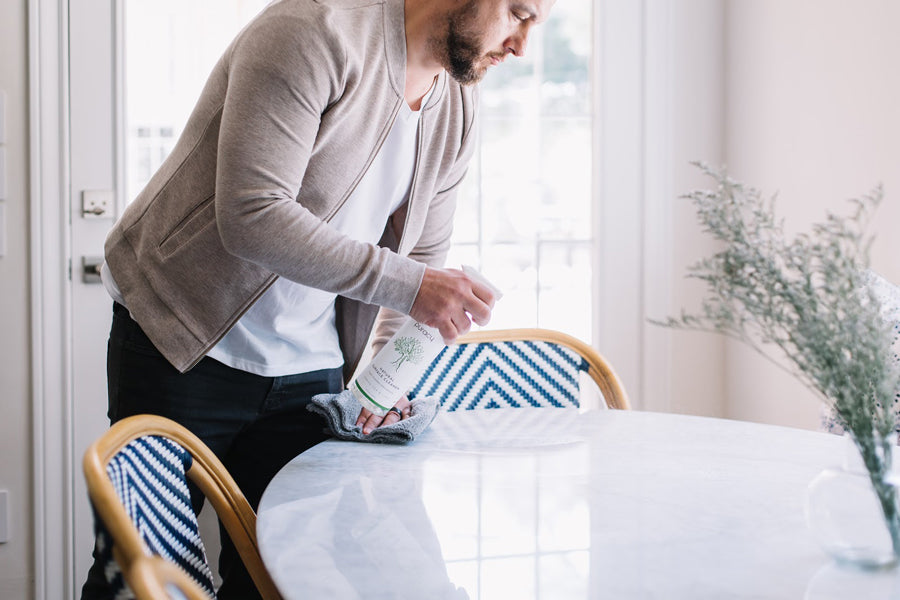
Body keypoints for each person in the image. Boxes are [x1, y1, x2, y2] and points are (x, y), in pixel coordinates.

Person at [80, 0, 554, 597]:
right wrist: (413, 286)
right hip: (181, 334)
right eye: (519, 14)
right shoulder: (310, 33)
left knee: (280, 573)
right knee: (136, 570)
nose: (521, 47)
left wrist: (384, 383)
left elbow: (423, 259)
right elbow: (253, 215)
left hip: (310, 367)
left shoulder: (455, 105)